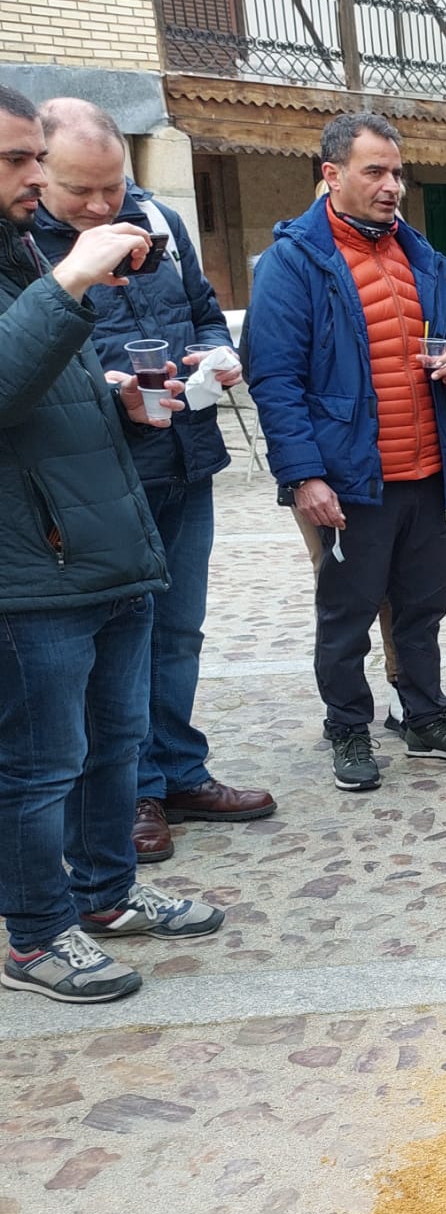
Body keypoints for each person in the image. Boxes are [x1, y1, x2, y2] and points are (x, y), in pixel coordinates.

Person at [0, 83, 224, 1005]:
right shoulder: (40, 264)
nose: (37, 178)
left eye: (32, 157)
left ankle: (106, 895)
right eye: (19, 161)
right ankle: (35, 936)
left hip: (105, 539)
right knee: (40, 763)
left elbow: (51, 384)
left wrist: (120, 399)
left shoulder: (17, 253)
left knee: (113, 740)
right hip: (34, 565)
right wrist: (69, 281)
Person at [31, 97, 276, 864]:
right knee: (119, 645)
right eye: (82, 191)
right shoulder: (28, 252)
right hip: (99, 479)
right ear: (39, 176)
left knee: (180, 632)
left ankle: (176, 771)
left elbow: (204, 313)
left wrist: (214, 354)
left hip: (184, 456)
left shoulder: (159, 223)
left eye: (115, 185)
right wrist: (106, 386)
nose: (104, 206)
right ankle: (130, 789)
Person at [247, 111, 446, 792]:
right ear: (331, 175)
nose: (392, 185)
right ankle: (348, 727)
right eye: (375, 171)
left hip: (422, 470)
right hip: (349, 480)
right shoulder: (294, 262)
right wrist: (303, 476)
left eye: (397, 171)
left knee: (421, 606)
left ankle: (423, 718)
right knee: (347, 615)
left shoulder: (418, 253)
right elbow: (275, 380)